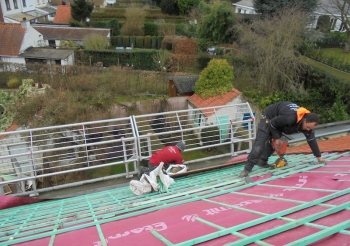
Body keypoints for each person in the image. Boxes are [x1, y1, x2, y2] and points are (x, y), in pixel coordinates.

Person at [239, 102, 325, 178]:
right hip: (269, 117)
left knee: (276, 143)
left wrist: (319, 157)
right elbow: (272, 123)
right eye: (307, 127)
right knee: (259, 144)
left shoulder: (307, 125)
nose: (308, 130)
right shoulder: (290, 118)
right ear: (305, 121)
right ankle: (247, 169)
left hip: (279, 122)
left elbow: (312, 140)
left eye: (310, 128)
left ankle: (262, 160)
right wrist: (276, 138)